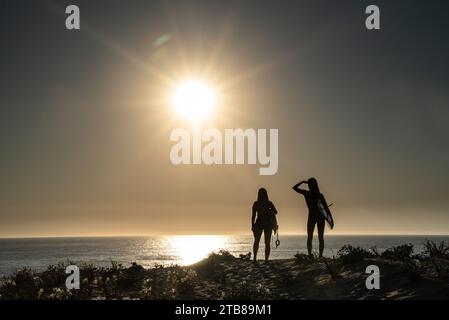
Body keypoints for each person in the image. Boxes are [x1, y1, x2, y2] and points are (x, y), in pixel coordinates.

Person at [293, 177, 329, 258]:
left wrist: (302, 182)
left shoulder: (308, 194)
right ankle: (319, 255)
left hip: (315, 217)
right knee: (318, 237)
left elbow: (294, 188)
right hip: (318, 217)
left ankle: (312, 255)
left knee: (311, 237)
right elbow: (326, 208)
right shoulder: (317, 195)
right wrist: (329, 219)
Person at [251, 188, 278, 262]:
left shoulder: (256, 203)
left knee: (257, 241)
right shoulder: (269, 203)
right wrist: (269, 210)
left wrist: (252, 225)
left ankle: (255, 258)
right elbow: (275, 212)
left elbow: (253, 216)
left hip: (259, 222)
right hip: (267, 223)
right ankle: (266, 259)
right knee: (267, 242)